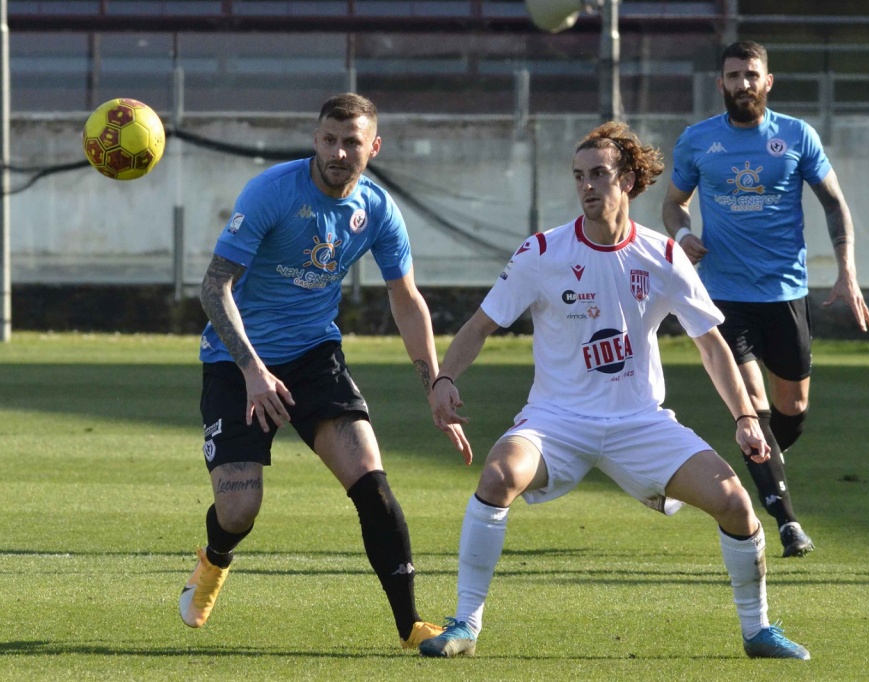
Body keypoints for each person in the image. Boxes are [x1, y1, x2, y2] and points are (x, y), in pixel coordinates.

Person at [419, 121, 810, 660]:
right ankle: (464, 624)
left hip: (641, 422)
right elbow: (479, 326)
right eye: (579, 176)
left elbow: (711, 345)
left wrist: (745, 415)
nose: (587, 186)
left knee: (736, 505)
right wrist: (444, 379)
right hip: (556, 420)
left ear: (626, 180)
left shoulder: (663, 256)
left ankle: (758, 630)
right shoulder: (541, 252)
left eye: (599, 174)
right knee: (498, 474)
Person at [180, 92, 469, 649]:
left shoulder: (378, 210)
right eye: (330, 140)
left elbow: (406, 299)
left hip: (314, 357)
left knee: (373, 484)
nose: (339, 152)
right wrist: (253, 370)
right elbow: (215, 286)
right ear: (315, 139)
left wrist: (434, 381)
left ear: (373, 147)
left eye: (352, 142)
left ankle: (411, 626)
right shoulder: (273, 191)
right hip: (235, 361)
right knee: (239, 511)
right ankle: (214, 560)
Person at [661, 40, 869, 558]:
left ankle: (744, 466)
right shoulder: (697, 142)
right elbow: (672, 205)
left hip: (785, 293)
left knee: (791, 408)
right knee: (752, 407)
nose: (742, 84)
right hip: (724, 296)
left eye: (751, 75)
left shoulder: (797, 136)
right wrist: (683, 234)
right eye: (733, 76)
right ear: (721, 84)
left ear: (768, 81)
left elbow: (834, 204)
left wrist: (847, 270)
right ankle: (786, 521)